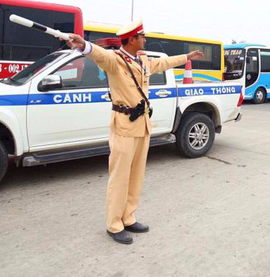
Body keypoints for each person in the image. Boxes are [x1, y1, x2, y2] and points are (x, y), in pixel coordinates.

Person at [65, 19, 204, 245]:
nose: (145, 39)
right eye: (142, 36)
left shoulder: (142, 60)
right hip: (124, 125)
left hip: (142, 125)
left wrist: (186, 58)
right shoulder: (115, 61)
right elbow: (99, 54)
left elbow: (164, 63)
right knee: (119, 177)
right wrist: (83, 45)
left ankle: (128, 217)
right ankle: (114, 224)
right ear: (131, 39)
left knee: (136, 176)